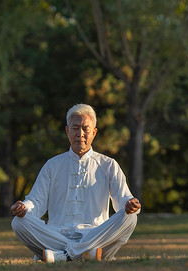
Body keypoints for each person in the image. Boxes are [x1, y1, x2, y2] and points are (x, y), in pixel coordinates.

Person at [11, 104, 141, 262]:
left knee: (131, 218)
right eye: (75, 128)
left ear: (94, 133)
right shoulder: (52, 165)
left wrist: (130, 205)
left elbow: (124, 199)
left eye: (86, 128)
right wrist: (24, 207)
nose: (80, 133)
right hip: (56, 236)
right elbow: (36, 200)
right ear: (67, 131)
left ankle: (63, 256)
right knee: (18, 222)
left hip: (95, 235)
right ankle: (87, 255)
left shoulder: (108, 165)